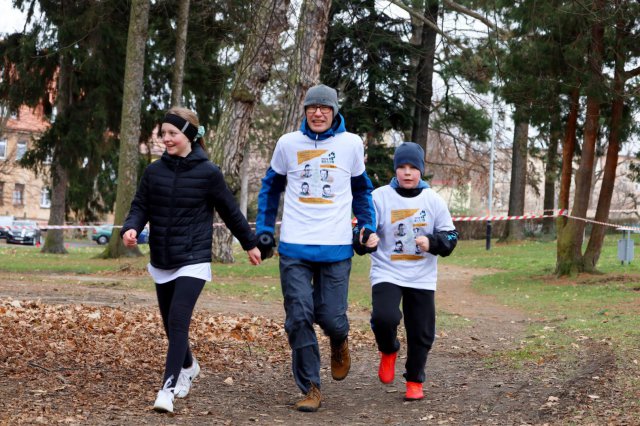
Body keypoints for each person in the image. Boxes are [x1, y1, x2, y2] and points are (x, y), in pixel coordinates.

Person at [120, 107, 262, 414]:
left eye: (173, 134)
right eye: (164, 134)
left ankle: (167, 390)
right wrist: (131, 227)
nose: (166, 140)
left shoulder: (208, 172)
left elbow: (230, 211)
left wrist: (249, 243)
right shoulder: (154, 171)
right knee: (170, 327)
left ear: (189, 136)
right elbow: (140, 205)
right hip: (162, 257)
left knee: (178, 320)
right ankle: (189, 366)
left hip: (194, 258)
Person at [255, 84, 378, 412]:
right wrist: (265, 229)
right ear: (305, 111)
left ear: (334, 111)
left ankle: (339, 340)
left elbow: (362, 191)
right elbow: (270, 189)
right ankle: (310, 387)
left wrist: (366, 226)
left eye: (325, 108)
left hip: (336, 246)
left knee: (332, 318)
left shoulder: (351, 144)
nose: (318, 113)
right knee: (298, 316)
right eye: (312, 108)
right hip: (294, 246)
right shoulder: (288, 144)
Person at [354, 142, 458, 401]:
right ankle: (388, 350)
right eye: (402, 167)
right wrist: (366, 239)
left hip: (421, 275)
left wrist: (432, 242)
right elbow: (360, 230)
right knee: (384, 318)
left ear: (421, 171)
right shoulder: (379, 197)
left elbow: (452, 235)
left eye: (413, 167)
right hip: (387, 270)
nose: (407, 173)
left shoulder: (432, 200)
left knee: (421, 330)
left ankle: (414, 379)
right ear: (395, 170)